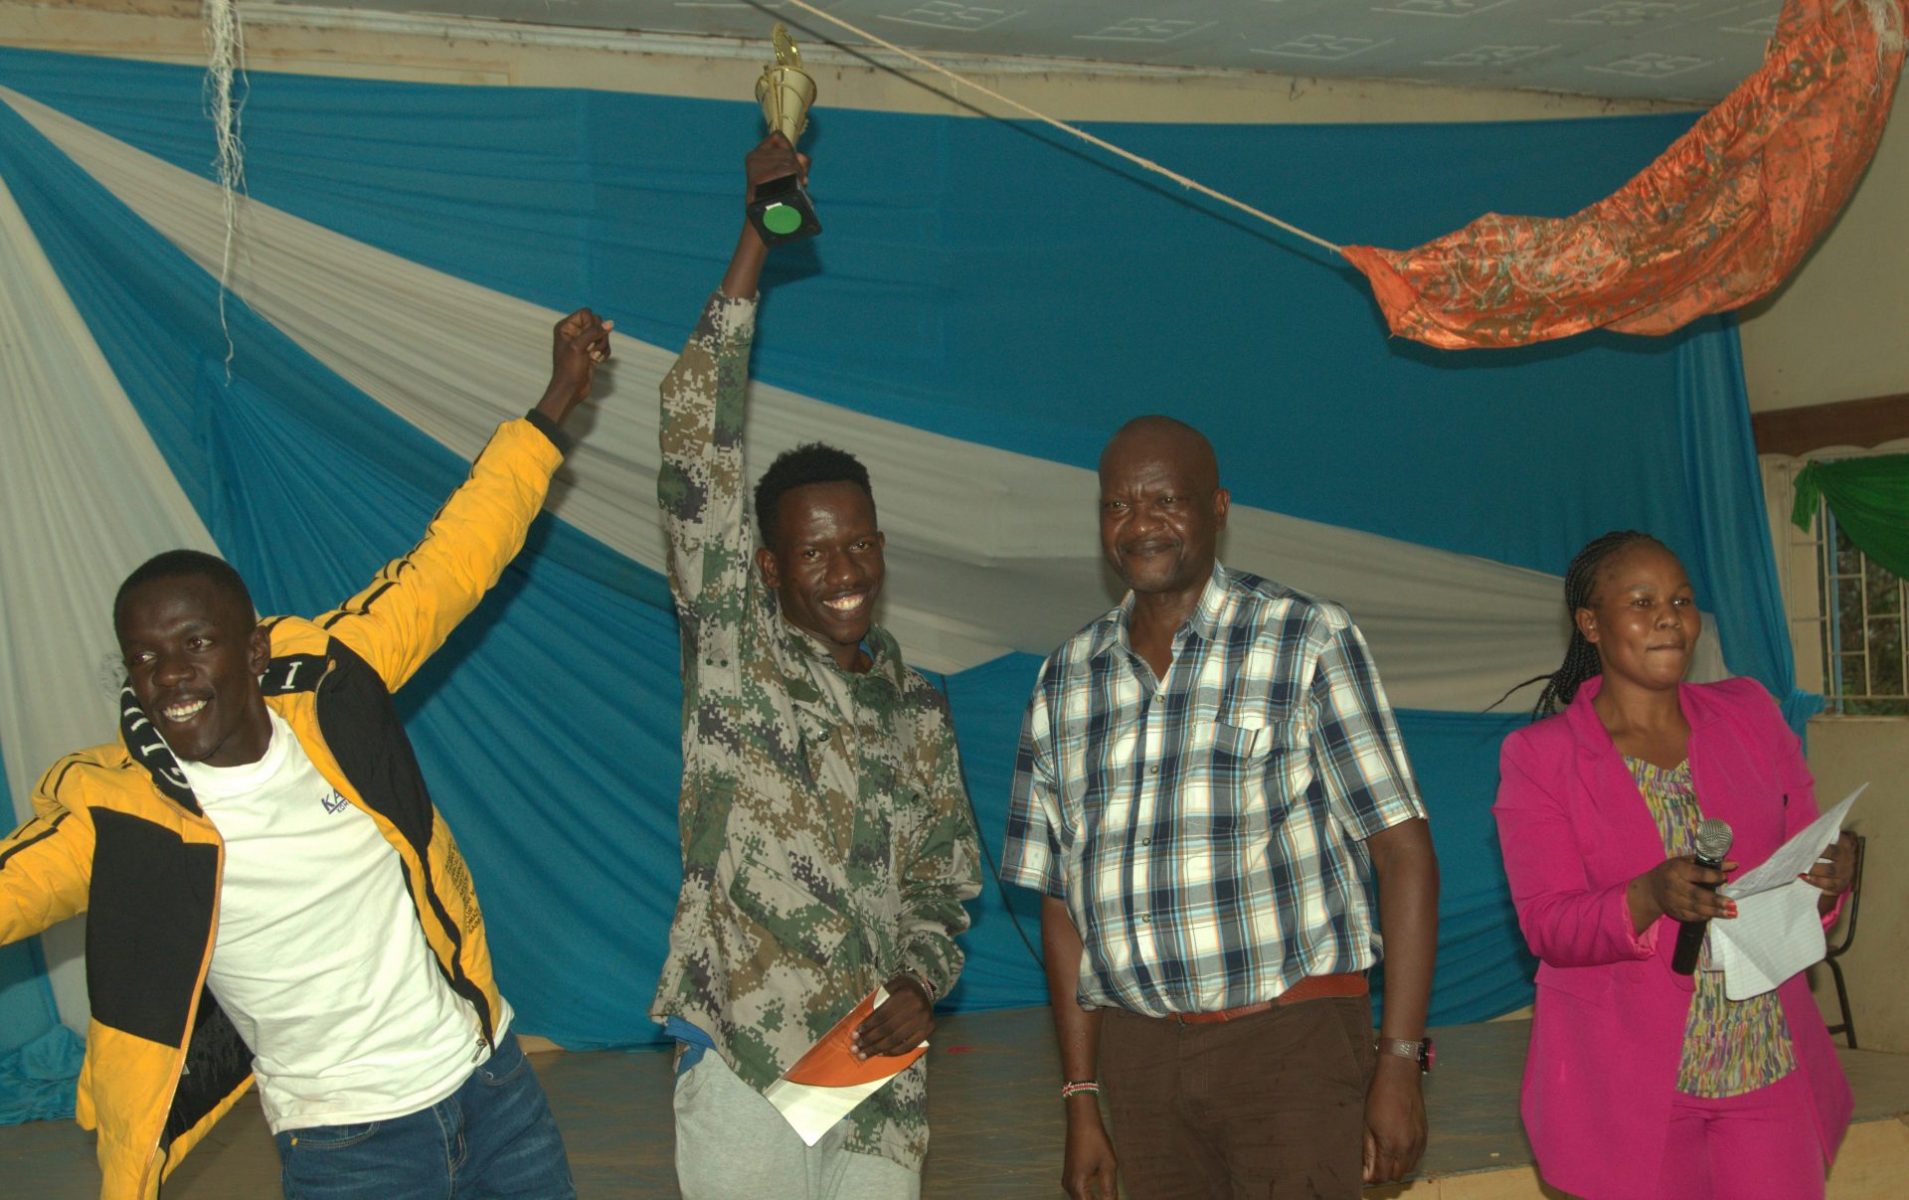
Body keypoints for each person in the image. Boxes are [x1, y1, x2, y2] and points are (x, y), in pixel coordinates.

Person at [0, 310, 611, 1200]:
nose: (170, 675)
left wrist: (557, 398)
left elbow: (456, 560)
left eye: (195, 644)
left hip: (493, 1089)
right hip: (348, 1147)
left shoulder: (333, 686)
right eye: (144, 658)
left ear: (251, 653)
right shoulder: (119, 810)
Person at [649, 133, 982, 1200]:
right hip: (750, 1059)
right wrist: (757, 236)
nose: (843, 570)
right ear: (766, 565)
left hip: (876, 1072)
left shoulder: (915, 707)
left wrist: (923, 981)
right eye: (814, 551)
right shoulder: (734, 653)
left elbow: (943, 879)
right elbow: (695, 438)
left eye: (861, 543)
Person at [1001, 415, 1439, 1199]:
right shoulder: (1065, 678)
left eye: (1165, 500)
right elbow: (1060, 902)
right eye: (1117, 505)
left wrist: (1399, 1059)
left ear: (1218, 508)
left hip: (1288, 1042)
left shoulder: (1303, 637)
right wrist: (1080, 1097)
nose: (1140, 524)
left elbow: (1401, 851)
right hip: (1137, 1060)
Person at [1493, 530, 1857, 1200]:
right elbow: (1547, 925)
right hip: (1629, 1084)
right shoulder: (1539, 757)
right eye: (1641, 602)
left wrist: (1825, 879)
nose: (1667, 616)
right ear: (1590, 624)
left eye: (1680, 600)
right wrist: (1646, 894)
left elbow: (1802, 866)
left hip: (1764, 1063)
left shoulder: (1747, 712)